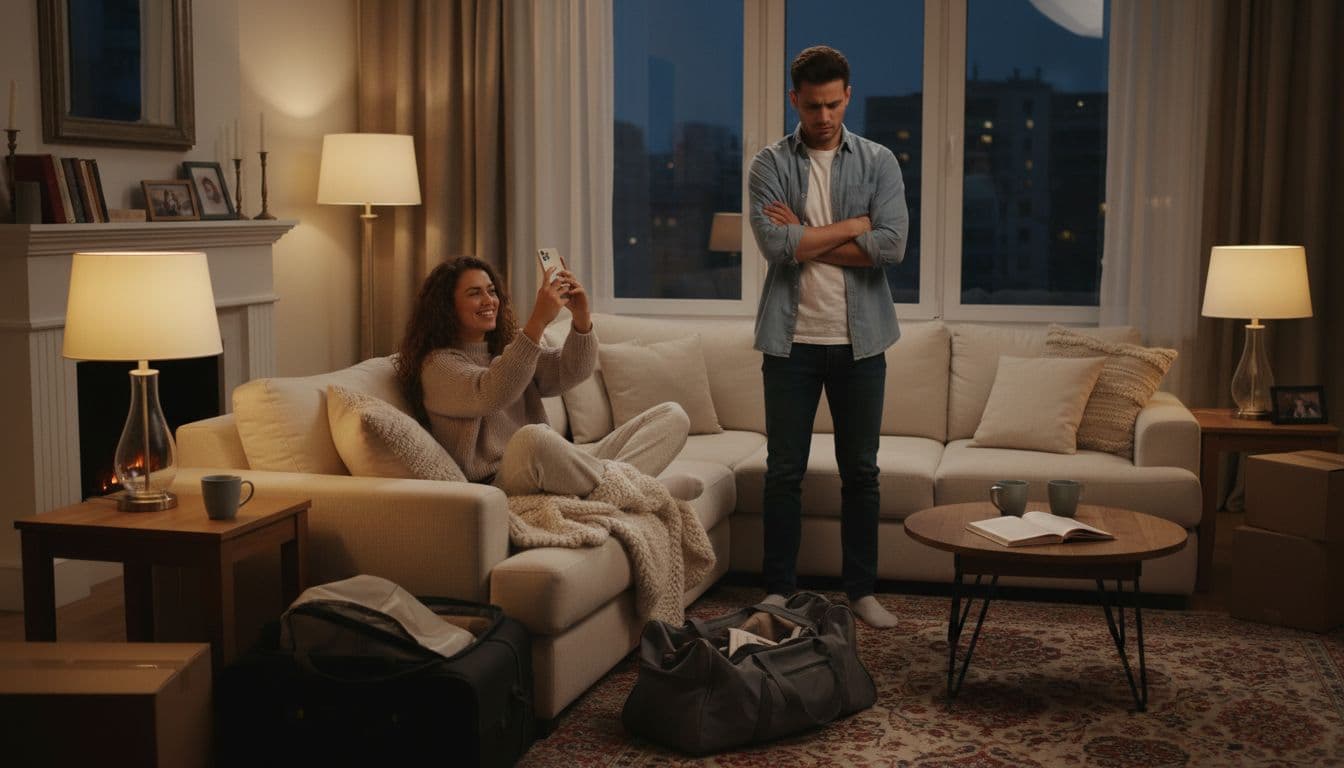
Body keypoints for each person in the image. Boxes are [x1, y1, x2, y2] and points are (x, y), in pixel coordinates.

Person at [748, 45, 909, 629]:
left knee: (860, 472)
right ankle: (779, 591)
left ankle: (861, 592)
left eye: (834, 104)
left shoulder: (879, 161)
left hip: (860, 342)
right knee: (783, 472)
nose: (824, 117)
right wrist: (853, 227)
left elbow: (891, 247)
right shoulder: (768, 164)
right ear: (795, 99)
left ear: (848, 96)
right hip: (790, 342)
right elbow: (776, 246)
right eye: (813, 105)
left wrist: (809, 237)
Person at [394, 256, 702, 501]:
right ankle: (646, 491)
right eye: (475, 293)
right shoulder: (437, 365)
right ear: (446, 307)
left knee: (671, 415)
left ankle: (623, 493)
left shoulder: (509, 350)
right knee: (533, 438)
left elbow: (570, 371)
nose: (489, 300)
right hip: (501, 482)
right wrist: (538, 321)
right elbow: (492, 392)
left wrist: (581, 318)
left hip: (553, 465)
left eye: (492, 290)